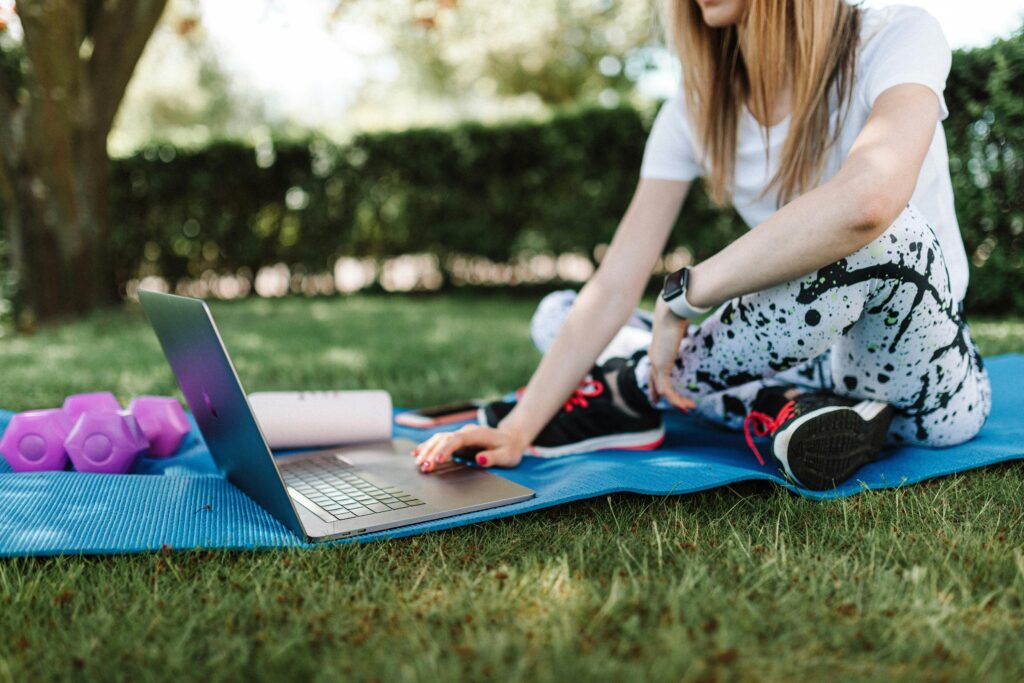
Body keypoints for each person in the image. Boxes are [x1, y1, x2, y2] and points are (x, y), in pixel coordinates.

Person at [412, 0, 991, 490]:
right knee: (558, 314)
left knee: (892, 234)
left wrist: (686, 294)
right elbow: (614, 284)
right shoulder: (692, 109)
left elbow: (870, 200)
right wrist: (517, 429)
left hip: (916, 385)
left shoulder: (895, 32)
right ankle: (783, 407)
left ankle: (633, 390)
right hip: (783, 355)